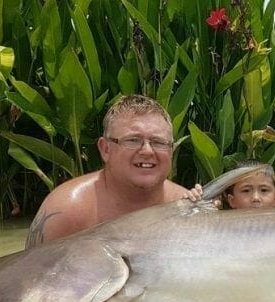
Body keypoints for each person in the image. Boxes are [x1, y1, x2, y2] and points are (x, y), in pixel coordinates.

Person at [25, 95, 196, 248]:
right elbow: (28, 278)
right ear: (105, 149)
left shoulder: (187, 209)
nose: (147, 151)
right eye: (133, 140)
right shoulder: (66, 211)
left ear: (171, 151)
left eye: (158, 142)